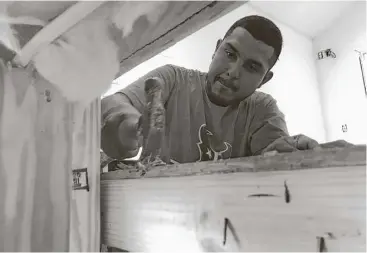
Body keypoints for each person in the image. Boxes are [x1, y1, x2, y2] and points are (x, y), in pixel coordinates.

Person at [101, 15, 350, 163]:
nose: (233, 71)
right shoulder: (173, 79)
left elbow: (275, 158)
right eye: (230, 53)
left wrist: (289, 157)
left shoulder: (263, 110)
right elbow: (110, 105)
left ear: (264, 79)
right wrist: (130, 126)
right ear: (217, 48)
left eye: (251, 67)